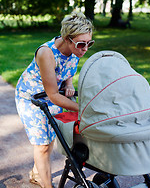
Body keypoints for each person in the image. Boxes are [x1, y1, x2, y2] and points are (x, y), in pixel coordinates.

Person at [15, 11, 95, 188]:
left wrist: (68, 84)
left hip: (53, 94)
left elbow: (68, 68)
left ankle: (37, 173)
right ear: (67, 39)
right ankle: (47, 185)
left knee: (51, 137)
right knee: (42, 144)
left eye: (89, 43)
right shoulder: (47, 53)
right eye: (81, 44)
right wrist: (82, 108)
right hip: (31, 97)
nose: (85, 49)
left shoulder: (76, 49)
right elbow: (53, 96)